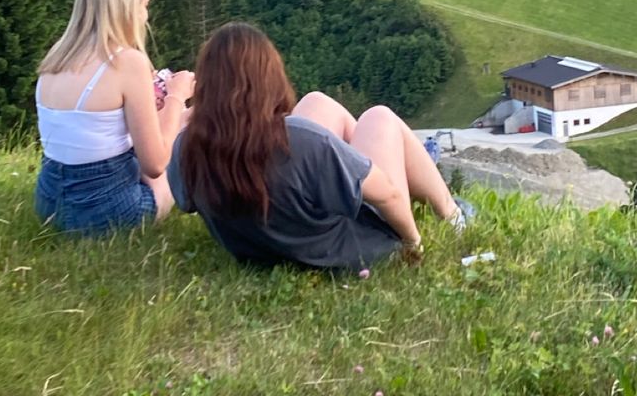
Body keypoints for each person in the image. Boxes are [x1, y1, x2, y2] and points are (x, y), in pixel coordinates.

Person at [167, 22, 469, 270]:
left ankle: (352, 169)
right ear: (268, 78)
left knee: (316, 102)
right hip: (348, 249)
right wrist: (413, 243)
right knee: (379, 118)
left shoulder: (186, 150)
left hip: (261, 249)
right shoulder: (298, 140)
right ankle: (453, 214)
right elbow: (388, 195)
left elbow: (185, 202)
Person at [34, 0, 195, 234]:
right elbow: (155, 164)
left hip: (49, 203)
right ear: (127, 6)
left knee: (180, 120)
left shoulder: (56, 58)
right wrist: (176, 97)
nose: (146, 15)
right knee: (172, 170)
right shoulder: (126, 62)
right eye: (144, 5)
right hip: (106, 212)